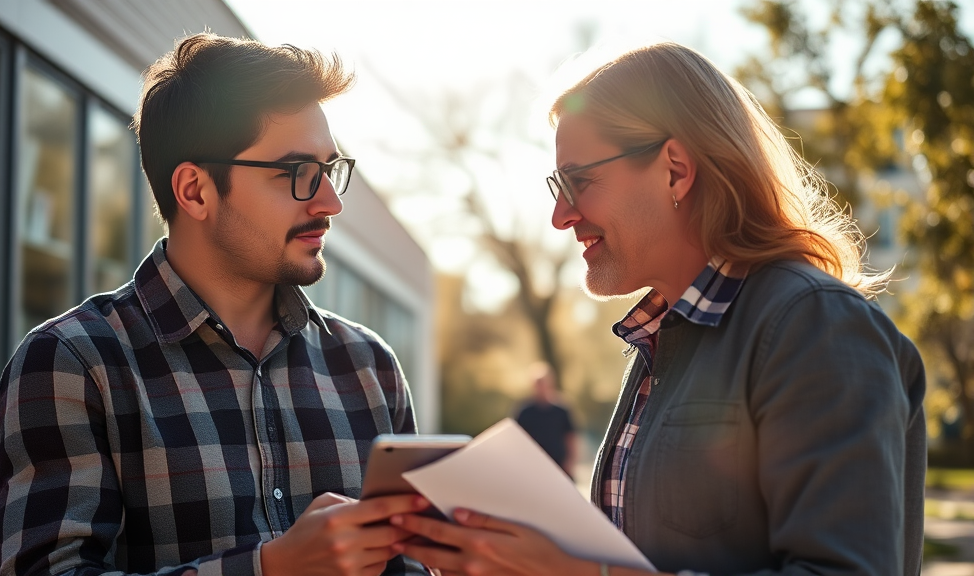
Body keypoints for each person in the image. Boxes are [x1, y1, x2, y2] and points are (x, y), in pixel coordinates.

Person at [389, 42, 926, 576]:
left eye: (579, 181)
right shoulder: (660, 341)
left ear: (674, 170)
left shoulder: (814, 325)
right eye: (559, 186)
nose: (559, 216)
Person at [0, 33, 431, 576]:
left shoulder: (370, 367)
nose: (330, 202)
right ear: (196, 191)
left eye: (331, 168)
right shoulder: (73, 366)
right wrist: (271, 569)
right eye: (297, 173)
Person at [514, 363, 577, 477]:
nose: (541, 387)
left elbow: (571, 437)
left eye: (543, 382)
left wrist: (570, 461)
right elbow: (517, 439)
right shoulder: (525, 412)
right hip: (535, 467)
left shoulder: (561, 409)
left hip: (560, 465)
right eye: (537, 383)